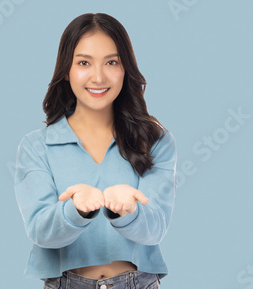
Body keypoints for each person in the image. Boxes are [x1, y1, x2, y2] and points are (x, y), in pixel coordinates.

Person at [13, 13, 177, 289]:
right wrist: (76, 210)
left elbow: (156, 228)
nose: (98, 77)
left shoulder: (156, 140)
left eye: (112, 62)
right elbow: (40, 231)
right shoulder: (36, 146)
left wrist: (127, 210)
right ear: (67, 70)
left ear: (126, 69)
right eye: (84, 63)